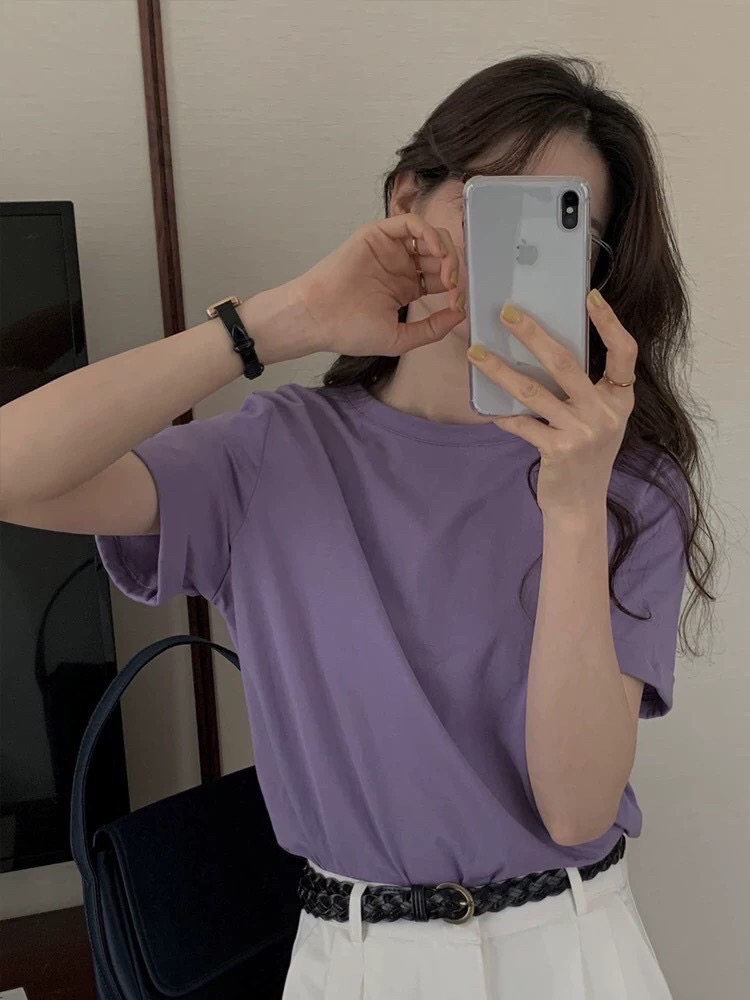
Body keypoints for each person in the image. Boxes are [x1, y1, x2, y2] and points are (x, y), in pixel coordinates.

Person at [0, 53, 717, 999]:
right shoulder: (272, 454)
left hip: (573, 949)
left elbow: (577, 809)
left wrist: (576, 508)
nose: (515, 251)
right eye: (491, 204)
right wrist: (282, 320)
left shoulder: (629, 484)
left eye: (563, 225)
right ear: (406, 198)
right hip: (358, 959)